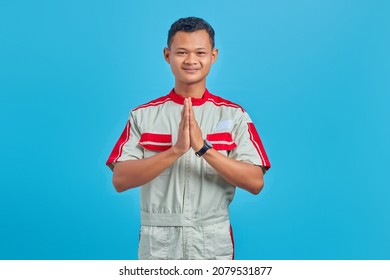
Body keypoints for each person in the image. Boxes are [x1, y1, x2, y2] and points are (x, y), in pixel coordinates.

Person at [106, 17, 271, 260]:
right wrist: (175, 150)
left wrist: (203, 149)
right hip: (158, 243)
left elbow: (255, 182)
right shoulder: (143, 116)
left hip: (212, 241)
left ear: (213, 56)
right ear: (167, 55)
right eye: (181, 52)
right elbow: (120, 180)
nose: (191, 60)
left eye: (200, 52)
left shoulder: (234, 116)